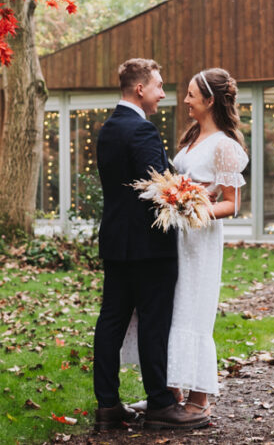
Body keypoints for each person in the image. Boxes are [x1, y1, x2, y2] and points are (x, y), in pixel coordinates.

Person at [122, 68, 248, 419]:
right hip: (176, 237)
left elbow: (232, 203)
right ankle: (169, 395)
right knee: (172, 311)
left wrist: (193, 208)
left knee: (193, 313)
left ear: (209, 100)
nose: (186, 99)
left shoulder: (224, 145)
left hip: (200, 242)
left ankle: (199, 402)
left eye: (192, 94)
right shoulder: (192, 137)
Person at [92, 59, 208, 431]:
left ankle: (108, 404)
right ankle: (160, 402)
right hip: (148, 247)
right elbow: (160, 190)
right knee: (154, 324)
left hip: (116, 243)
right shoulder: (141, 130)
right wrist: (194, 194)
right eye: (158, 85)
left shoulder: (109, 128)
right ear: (139, 89)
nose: (162, 92)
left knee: (111, 320)